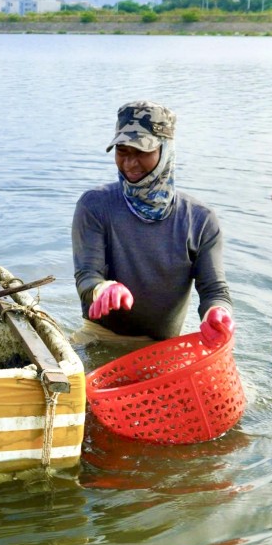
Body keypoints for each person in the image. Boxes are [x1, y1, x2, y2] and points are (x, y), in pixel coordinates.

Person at [72, 101, 234, 357]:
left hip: (163, 349)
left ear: (165, 150)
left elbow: (214, 291)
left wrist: (217, 313)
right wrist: (102, 289)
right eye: (122, 151)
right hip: (99, 338)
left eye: (142, 151)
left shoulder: (200, 220)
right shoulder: (94, 206)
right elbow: (86, 275)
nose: (130, 163)